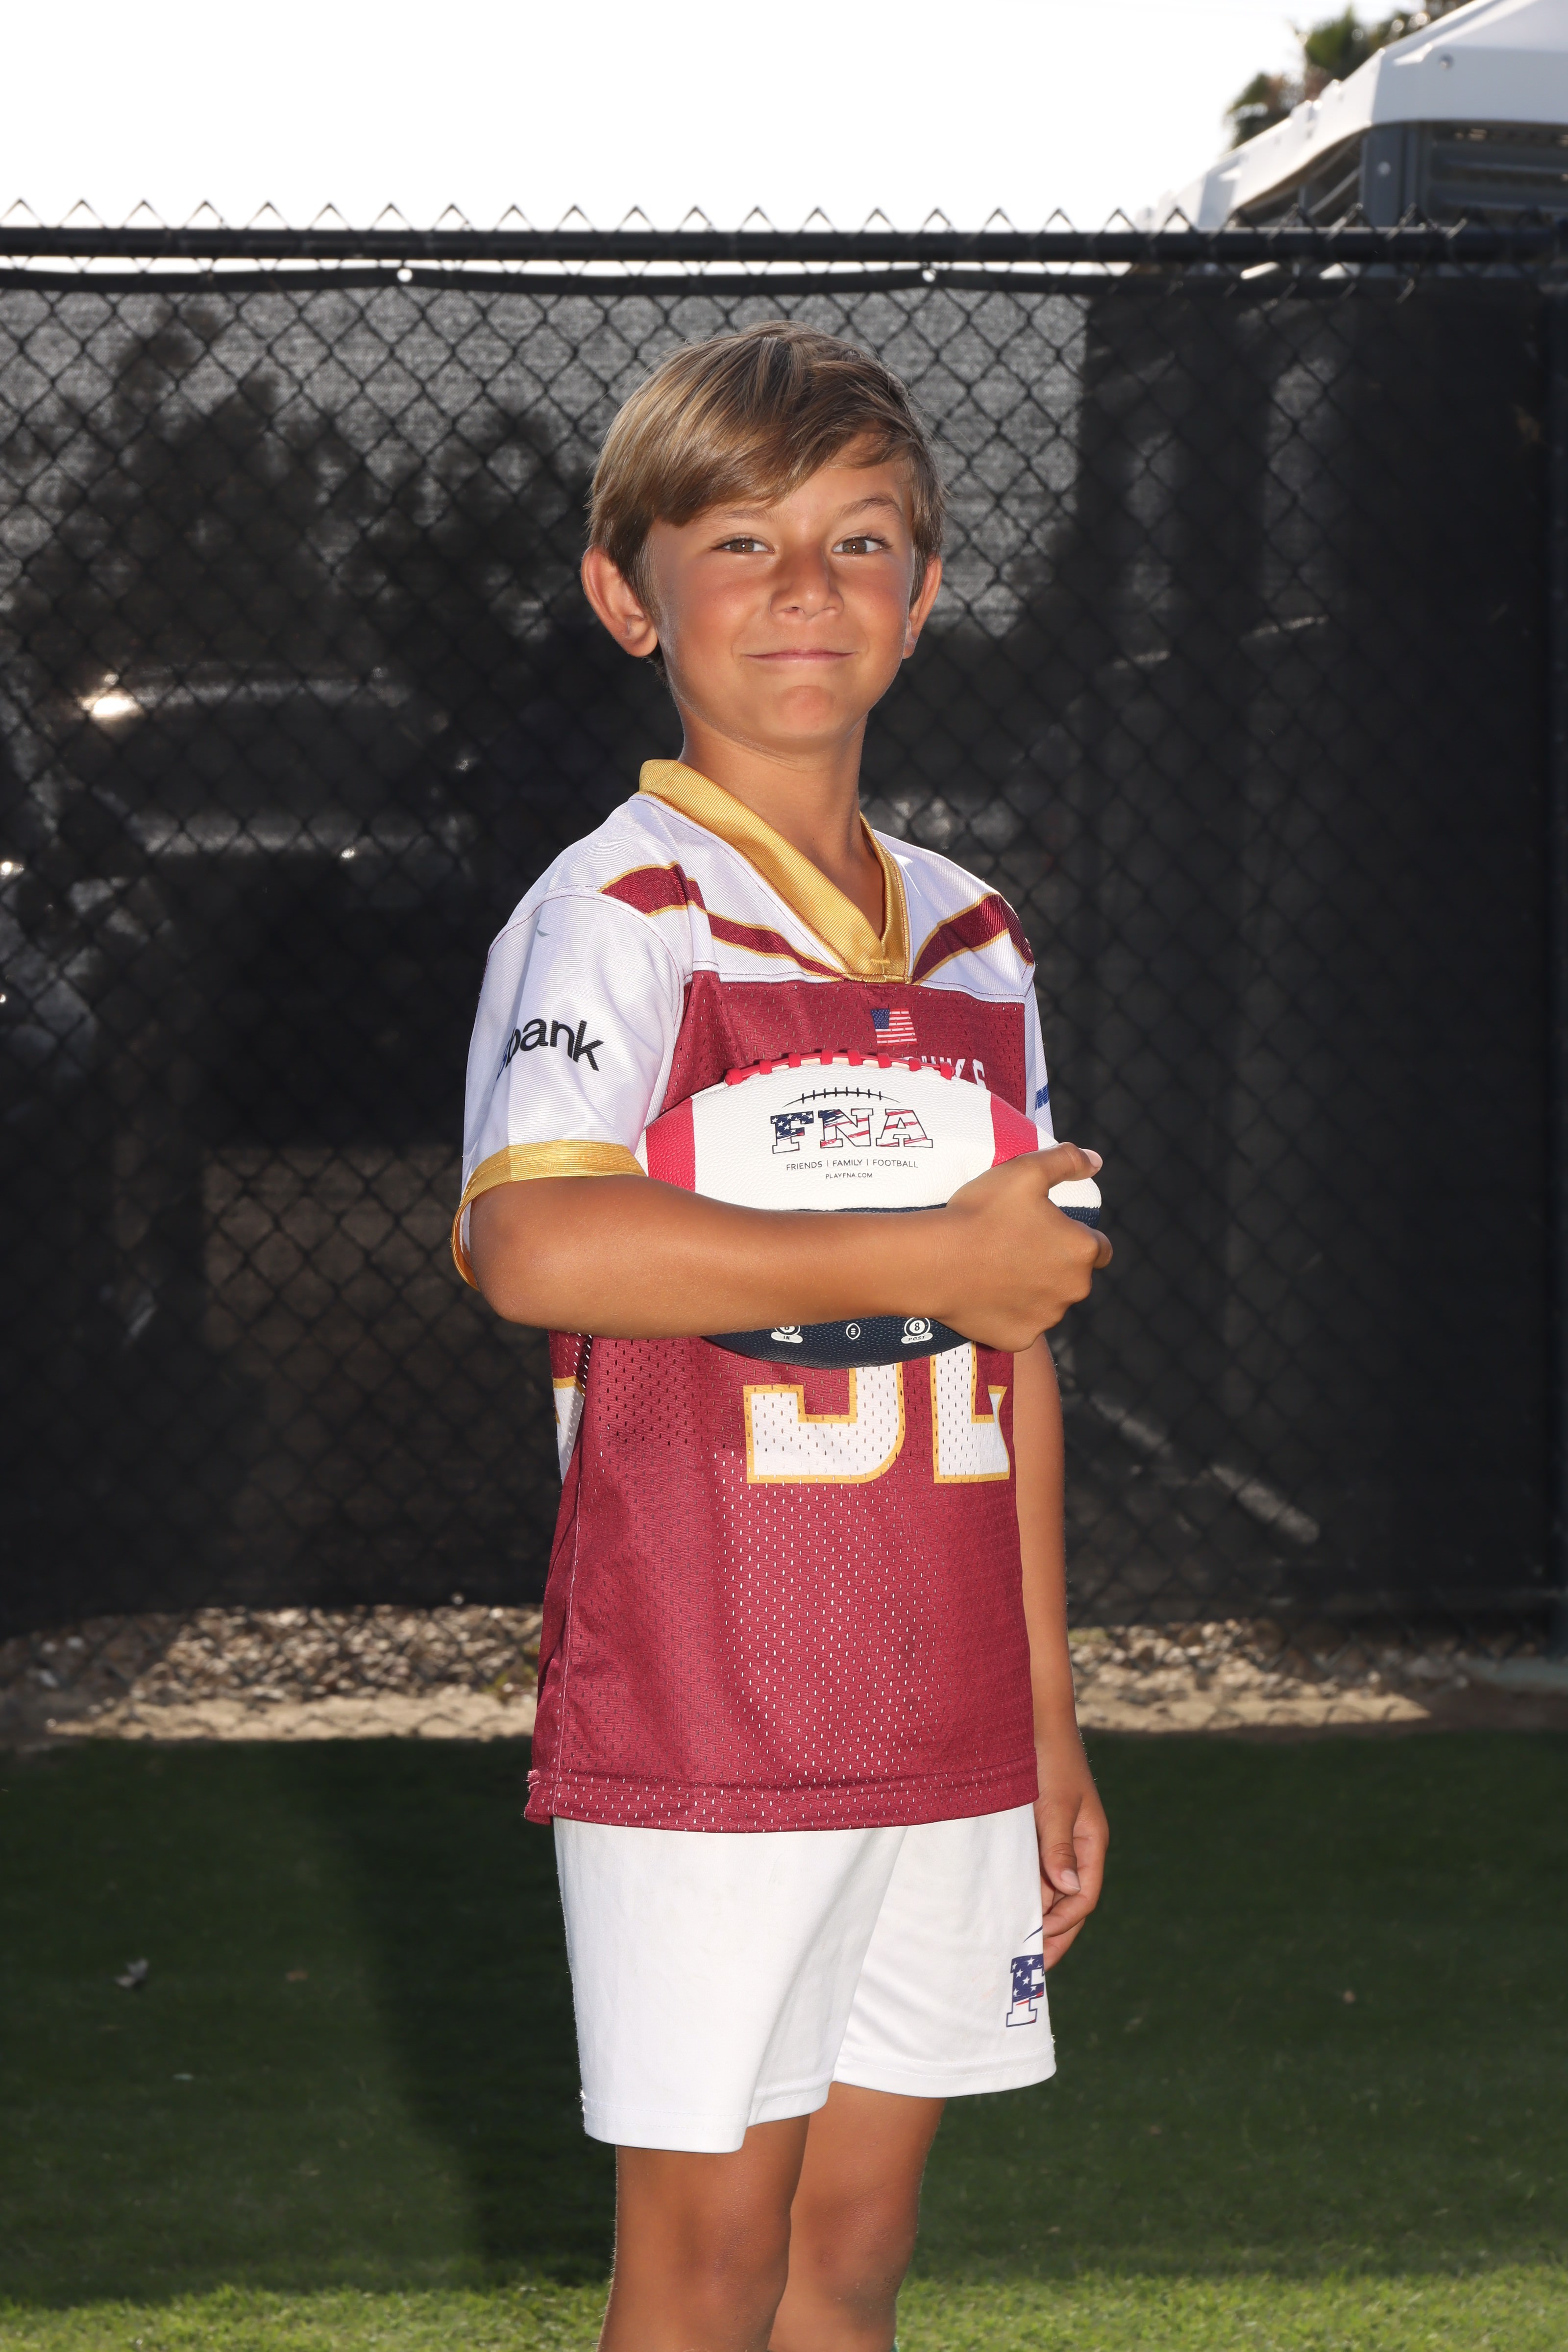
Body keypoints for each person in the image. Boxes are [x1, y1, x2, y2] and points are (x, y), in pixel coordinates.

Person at [455, 321, 1112, 2352]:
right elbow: (533, 1244)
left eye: (858, 541)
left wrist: (1045, 1711)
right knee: (709, 2259)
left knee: (852, 2249)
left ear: (923, 591)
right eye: (739, 541)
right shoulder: (619, 910)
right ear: (625, 590)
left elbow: (1011, 1336)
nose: (803, 587)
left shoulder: (975, 933)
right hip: (709, 1695)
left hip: (940, 1692)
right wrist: (925, 1245)